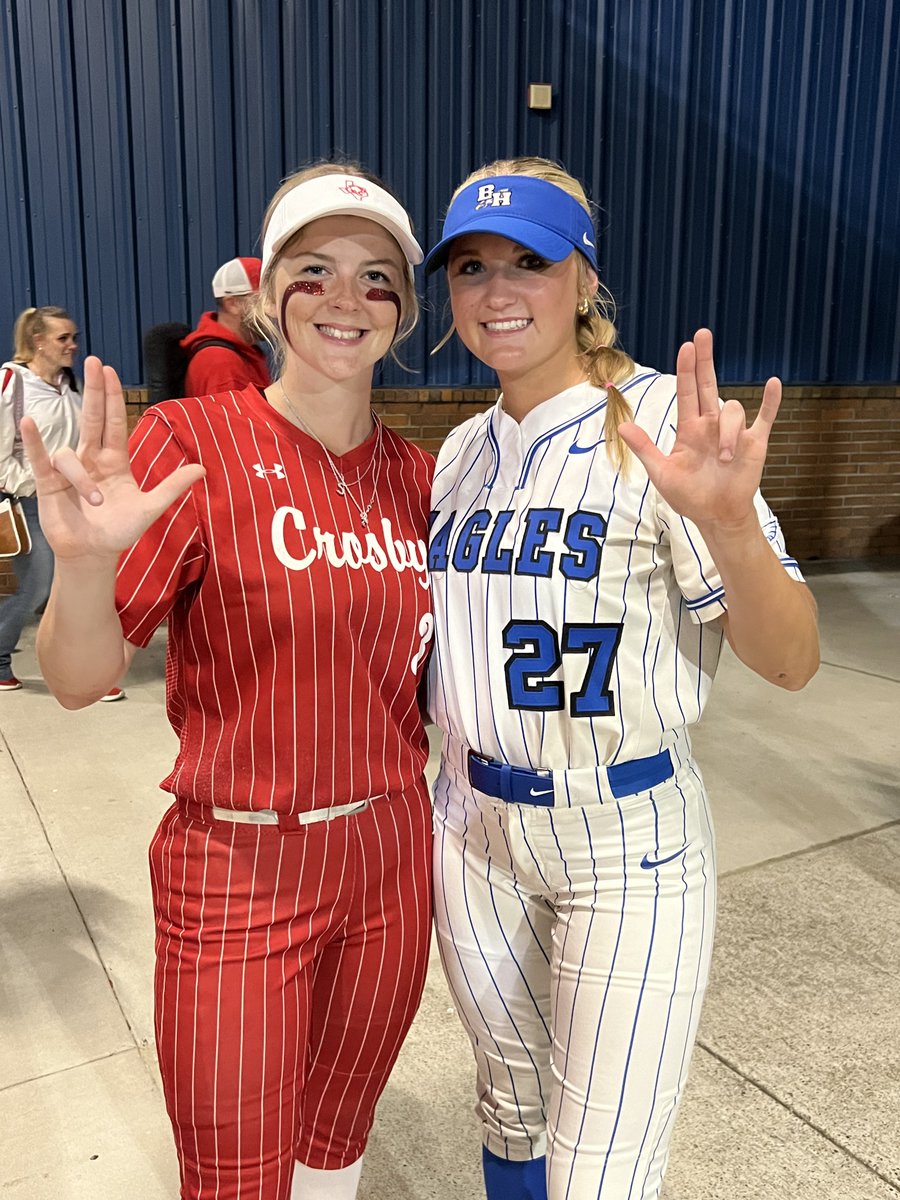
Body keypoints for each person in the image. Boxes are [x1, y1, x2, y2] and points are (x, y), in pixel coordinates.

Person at [29, 163, 435, 1200]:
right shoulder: (190, 445)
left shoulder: (424, 478)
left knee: (338, 1136)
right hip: (240, 864)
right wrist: (80, 566)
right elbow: (76, 681)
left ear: (405, 309)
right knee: (236, 1176)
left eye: (376, 277)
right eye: (315, 270)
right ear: (267, 294)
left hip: (391, 854)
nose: (346, 299)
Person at [423, 157, 820, 1200]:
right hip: (470, 825)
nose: (497, 291)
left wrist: (731, 527)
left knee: (599, 1176)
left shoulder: (659, 428)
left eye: (529, 262)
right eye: (470, 267)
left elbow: (793, 661)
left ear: (585, 281)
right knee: (510, 1104)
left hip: (625, 837)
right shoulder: (459, 455)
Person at [0, 307, 124, 700]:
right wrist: (32, 484)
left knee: (78, 587)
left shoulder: (70, 386)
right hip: (29, 502)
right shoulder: (12, 384)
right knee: (34, 584)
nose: (73, 345)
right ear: (37, 341)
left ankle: (84, 672)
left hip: (75, 501)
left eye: (74, 337)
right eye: (63, 338)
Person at [181, 255, 272, 396]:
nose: (272, 310)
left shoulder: (244, 353)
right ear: (232, 304)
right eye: (262, 301)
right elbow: (231, 418)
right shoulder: (221, 363)